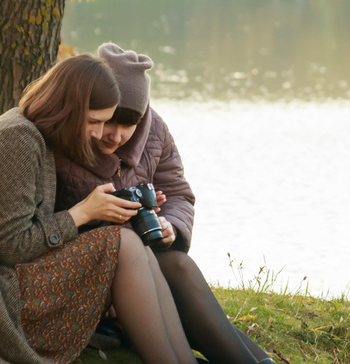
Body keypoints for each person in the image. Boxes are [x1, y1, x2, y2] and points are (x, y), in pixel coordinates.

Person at [0, 54, 197, 364]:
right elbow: (13, 246)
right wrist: (84, 211)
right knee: (123, 242)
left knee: (137, 247)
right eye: (94, 122)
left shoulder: (36, 136)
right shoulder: (17, 138)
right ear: (69, 109)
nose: (101, 134)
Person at [54, 43, 273, 364]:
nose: (114, 135)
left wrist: (171, 224)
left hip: (146, 263)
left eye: (128, 124)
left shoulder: (155, 131)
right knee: (164, 273)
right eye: (108, 121)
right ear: (93, 110)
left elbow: (179, 194)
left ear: (142, 117)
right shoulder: (63, 137)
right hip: (91, 266)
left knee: (178, 264)